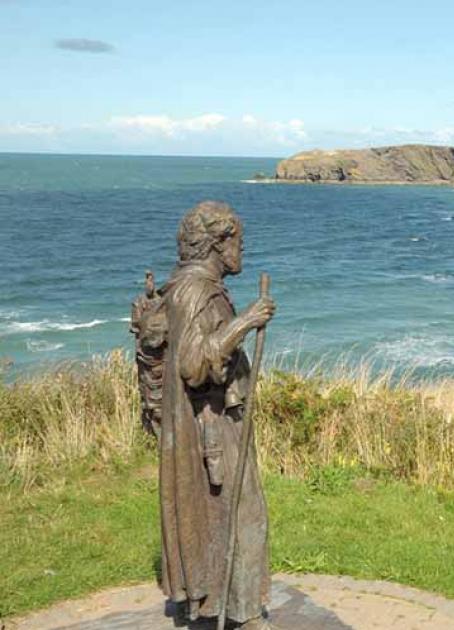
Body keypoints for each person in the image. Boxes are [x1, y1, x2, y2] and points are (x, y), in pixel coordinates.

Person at [157, 200, 276, 627]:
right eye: (239, 241)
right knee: (242, 512)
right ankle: (243, 615)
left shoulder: (190, 286)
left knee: (231, 512)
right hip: (211, 425)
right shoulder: (196, 292)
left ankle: (222, 601)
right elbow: (194, 364)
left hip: (210, 420)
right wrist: (245, 322)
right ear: (220, 242)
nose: (242, 249)